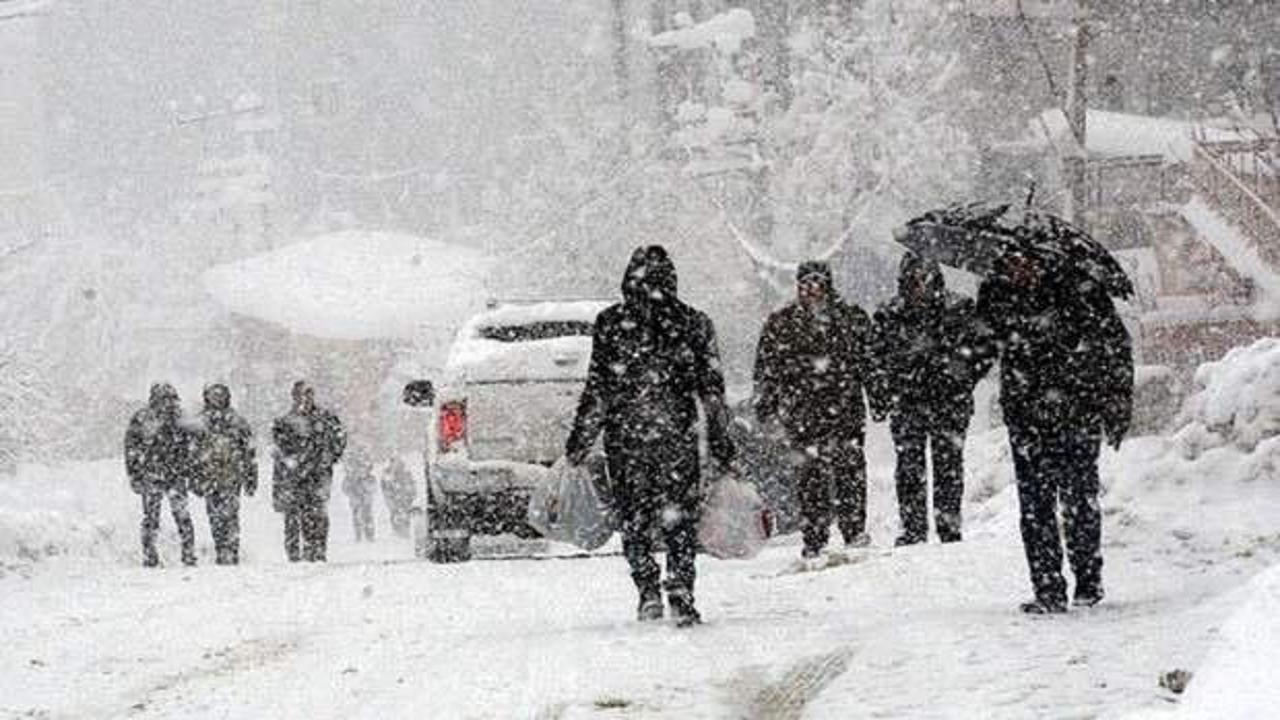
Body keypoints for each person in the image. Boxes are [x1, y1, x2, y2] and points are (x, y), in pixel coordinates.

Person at [565, 245, 736, 627]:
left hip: (627, 438)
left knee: (635, 517)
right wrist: (722, 442)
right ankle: (681, 588)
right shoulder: (693, 323)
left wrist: (580, 439)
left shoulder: (611, 323)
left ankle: (647, 590)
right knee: (680, 519)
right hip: (677, 436)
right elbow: (711, 390)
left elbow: (599, 388)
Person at [975, 251, 1133, 614]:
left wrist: (1116, 405)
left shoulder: (1079, 291)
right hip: (1027, 417)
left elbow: (1115, 348)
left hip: (1076, 413)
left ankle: (1088, 583)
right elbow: (980, 347)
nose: (1020, 269)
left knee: (1078, 501)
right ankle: (1048, 588)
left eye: (1026, 262)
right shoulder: (997, 294)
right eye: (1012, 262)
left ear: (1044, 261)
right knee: (1035, 507)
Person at [753, 260, 876, 559]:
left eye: (817, 281)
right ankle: (815, 535)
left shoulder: (851, 318)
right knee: (810, 477)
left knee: (849, 472)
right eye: (806, 282)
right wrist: (766, 405)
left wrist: (879, 398)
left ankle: (853, 529)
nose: (811, 288)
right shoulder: (782, 323)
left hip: (844, 409)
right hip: (802, 411)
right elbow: (766, 369)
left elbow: (870, 363)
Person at [871, 252, 985, 547]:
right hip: (908, 402)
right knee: (910, 468)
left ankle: (948, 527)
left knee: (948, 467)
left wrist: (961, 377)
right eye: (912, 279)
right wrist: (887, 390)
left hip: (949, 401)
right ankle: (913, 528)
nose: (918, 285)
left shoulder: (959, 309)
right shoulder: (889, 314)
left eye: (923, 278)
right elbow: (877, 358)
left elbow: (980, 351)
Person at [272, 381, 347, 562]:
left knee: (317, 513)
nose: (305, 398)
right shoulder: (284, 422)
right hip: (294, 475)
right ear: (294, 396)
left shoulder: (326, 418)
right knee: (292, 515)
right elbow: (279, 449)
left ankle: (317, 550)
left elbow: (340, 437)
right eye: (301, 394)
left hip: (318, 473)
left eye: (308, 394)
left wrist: (331, 456)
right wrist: (291, 462)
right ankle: (294, 553)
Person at [124, 382, 197, 567]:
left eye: (169, 398)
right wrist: (134, 474)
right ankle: (151, 555)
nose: (166, 403)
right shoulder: (143, 418)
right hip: (153, 474)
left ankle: (187, 554)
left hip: (172, 474)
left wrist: (190, 469)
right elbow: (131, 448)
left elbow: (193, 448)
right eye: (162, 398)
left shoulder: (180, 419)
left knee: (180, 516)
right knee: (153, 518)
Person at [191, 383, 257, 565]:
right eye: (213, 395)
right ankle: (221, 549)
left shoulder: (238, 421)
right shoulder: (200, 422)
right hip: (209, 476)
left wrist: (251, 478)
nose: (217, 399)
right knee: (214, 516)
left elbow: (249, 452)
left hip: (231, 476)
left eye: (220, 395)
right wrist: (194, 477)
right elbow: (193, 454)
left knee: (231, 515)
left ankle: (232, 550)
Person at [341, 449, 377, 542]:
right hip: (356, 500)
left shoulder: (369, 477)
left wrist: (365, 488)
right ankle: (359, 535)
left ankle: (369, 535)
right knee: (357, 517)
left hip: (365, 499)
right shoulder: (350, 477)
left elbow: (372, 487)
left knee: (367, 516)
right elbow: (345, 488)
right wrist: (352, 494)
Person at [381, 457, 415, 538]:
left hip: (404, 496)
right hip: (395, 497)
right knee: (395, 513)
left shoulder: (406, 473)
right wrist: (388, 496)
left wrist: (411, 494)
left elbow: (412, 484)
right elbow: (384, 486)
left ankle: (405, 530)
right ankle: (397, 530)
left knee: (405, 514)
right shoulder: (388, 473)